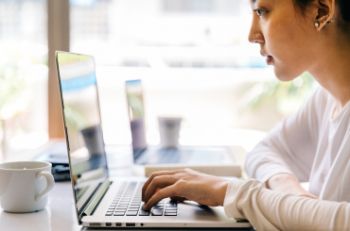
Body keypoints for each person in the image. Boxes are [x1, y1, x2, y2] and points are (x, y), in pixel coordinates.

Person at [142, 0, 350, 230]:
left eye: (262, 11)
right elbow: (264, 151)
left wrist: (230, 193)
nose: (252, 35)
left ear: (321, 10)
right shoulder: (326, 99)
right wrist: (289, 194)